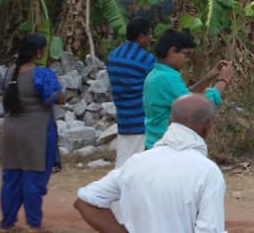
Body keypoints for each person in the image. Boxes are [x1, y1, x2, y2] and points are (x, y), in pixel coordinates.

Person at [74, 94, 226, 233]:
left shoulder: (136, 162)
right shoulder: (207, 171)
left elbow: (87, 201)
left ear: (170, 121)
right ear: (208, 126)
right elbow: (210, 230)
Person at [0, 34, 65, 232]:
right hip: (36, 132)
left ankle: (7, 224)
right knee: (33, 179)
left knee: (11, 178)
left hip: (11, 132)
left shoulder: (10, 73)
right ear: (38, 52)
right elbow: (59, 99)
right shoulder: (42, 74)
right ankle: (34, 225)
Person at [143, 29, 232, 149]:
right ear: (173, 51)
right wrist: (223, 81)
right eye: (186, 54)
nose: (187, 59)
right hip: (168, 146)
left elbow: (187, 97)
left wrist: (209, 77)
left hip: (154, 142)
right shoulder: (167, 78)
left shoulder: (156, 74)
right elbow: (198, 107)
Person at [107, 17, 156, 168]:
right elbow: (154, 86)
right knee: (138, 168)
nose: (151, 38)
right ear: (141, 37)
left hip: (123, 119)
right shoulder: (146, 60)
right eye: (149, 35)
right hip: (140, 119)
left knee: (123, 163)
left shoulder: (113, 56)